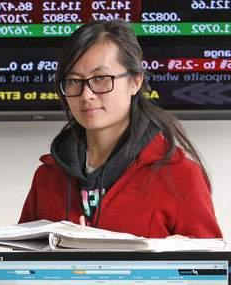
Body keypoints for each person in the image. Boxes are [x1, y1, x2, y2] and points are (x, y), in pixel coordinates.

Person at [19, 20, 222, 238]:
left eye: (100, 79)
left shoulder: (180, 175)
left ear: (135, 81)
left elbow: (208, 269)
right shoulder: (47, 177)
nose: (86, 95)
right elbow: (19, 265)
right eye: (73, 81)